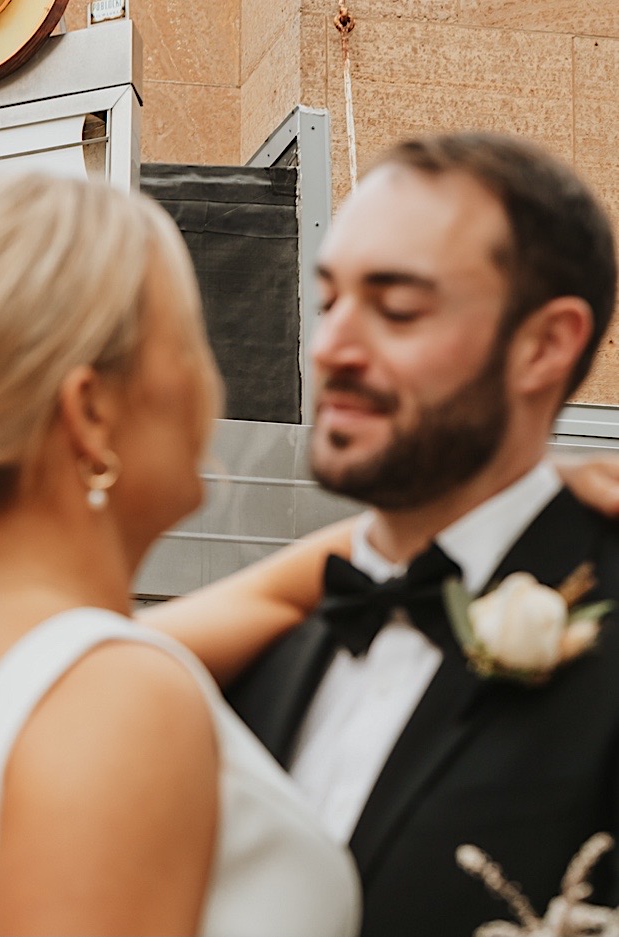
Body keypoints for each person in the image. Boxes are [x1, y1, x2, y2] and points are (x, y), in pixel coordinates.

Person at [0, 174, 361, 936]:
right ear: (89, 412)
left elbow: (263, 601)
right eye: (188, 337)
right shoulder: (115, 697)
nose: (205, 378)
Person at [220, 132, 619, 937]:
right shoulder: (259, 650)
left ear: (544, 344)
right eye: (328, 300)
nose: (330, 347)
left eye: (397, 307)